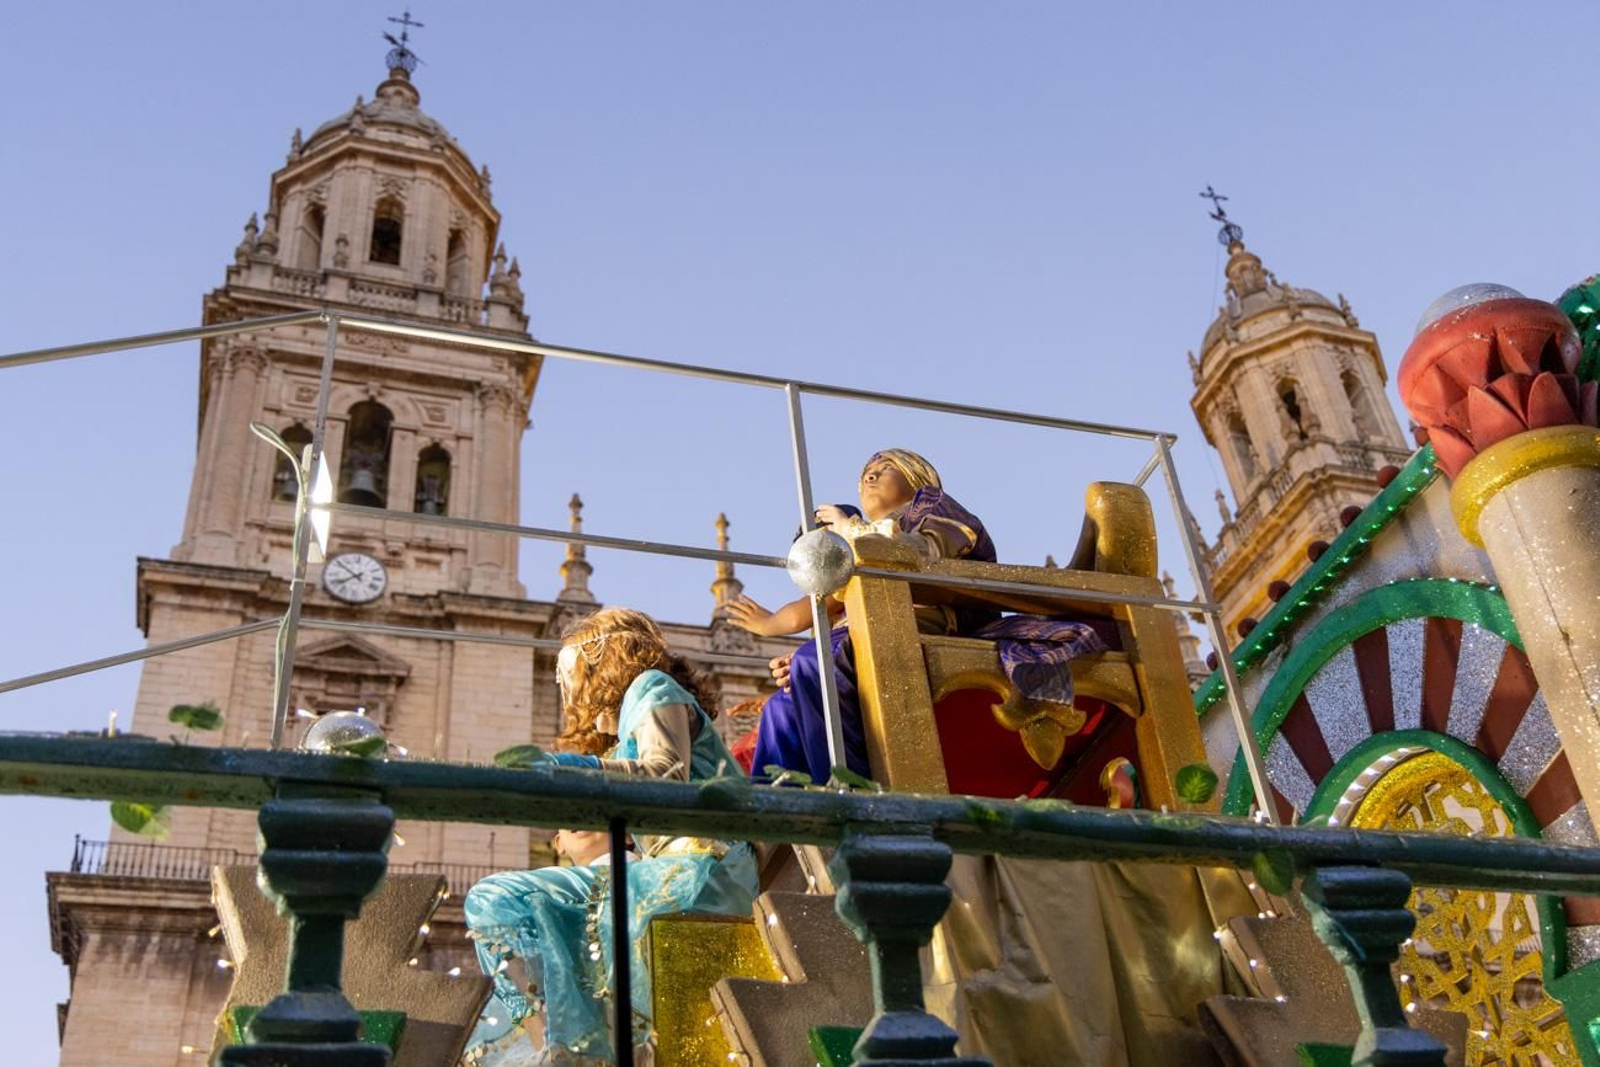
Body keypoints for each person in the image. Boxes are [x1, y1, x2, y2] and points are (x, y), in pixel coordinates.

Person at [463, 608, 758, 1066]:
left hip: (703, 866)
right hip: (672, 871)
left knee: (554, 903)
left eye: (569, 671)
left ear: (603, 657)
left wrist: (575, 767)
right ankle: (569, 1040)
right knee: (494, 901)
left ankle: (589, 1048)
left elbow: (666, 773)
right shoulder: (625, 728)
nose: (566, 688)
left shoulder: (652, 687)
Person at [732, 448, 1113, 785]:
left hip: (919, 624)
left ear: (917, 475)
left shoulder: (933, 508)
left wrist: (852, 530)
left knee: (813, 664)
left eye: (884, 466)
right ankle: (773, 815)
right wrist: (777, 633)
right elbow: (822, 606)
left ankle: (848, 786)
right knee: (782, 707)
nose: (870, 474)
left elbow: (921, 554)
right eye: (866, 471)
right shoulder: (862, 541)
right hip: (862, 634)